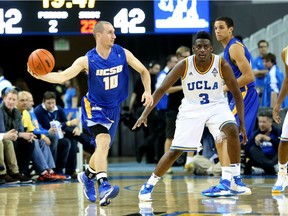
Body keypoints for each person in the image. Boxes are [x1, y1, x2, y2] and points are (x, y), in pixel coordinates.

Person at [27, 21, 153, 206]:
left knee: (103, 149)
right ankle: (104, 186)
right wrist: (40, 75)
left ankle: (87, 177)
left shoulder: (122, 53)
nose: (114, 35)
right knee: (103, 143)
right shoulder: (86, 60)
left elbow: (143, 71)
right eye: (110, 32)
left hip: (113, 108)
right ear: (98, 35)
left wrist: (148, 91)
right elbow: (63, 77)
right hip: (94, 107)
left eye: (114, 32)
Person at [134, 31, 247, 202]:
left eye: (206, 47)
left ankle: (235, 179)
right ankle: (149, 185)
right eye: (199, 47)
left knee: (231, 128)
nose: (202, 50)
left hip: (216, 105)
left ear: (211, 49)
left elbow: (237, 94)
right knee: (175, 151)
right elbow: (161, 90)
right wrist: (144, 114)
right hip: (191, 109)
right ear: (194, 49)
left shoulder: (221, 63)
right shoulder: (184, 65)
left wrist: (242, 124)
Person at [202, 16, 259, 197]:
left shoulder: (234, 47)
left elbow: (249, 77)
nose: (217, 31)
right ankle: (229, 180)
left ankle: (228, 181)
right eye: (215, 28)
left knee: (226, 135)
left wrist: (223, 87)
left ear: (230, 30)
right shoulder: (226, 49)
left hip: (244, 95)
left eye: (221, 27)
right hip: (235, 96)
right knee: (221, 137)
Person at [129, 61, 161, 163]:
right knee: (153, 133)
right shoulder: (153, 79)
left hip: (140, 108)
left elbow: (133, 95)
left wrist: (131, 107)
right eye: (156, 68)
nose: (158, 71)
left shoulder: (140, 79)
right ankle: (142, 149)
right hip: (148, 108)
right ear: (150, 69)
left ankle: (149, 157)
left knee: (148, 133)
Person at [272, 45, 288, 193]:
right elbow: (287, 80)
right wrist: (277, 104)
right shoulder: (285, 52)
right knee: (284, 140)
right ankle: (282, 175)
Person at [244, 110, 280, 175]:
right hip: (261, 159)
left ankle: (266, 168)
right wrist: (255, 141)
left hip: (274, 158)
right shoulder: (255, 134)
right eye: (260, 122)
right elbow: (247, 150)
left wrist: (270, 139)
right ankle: (271, 168)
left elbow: (282, 146)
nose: (261, 124)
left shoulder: (277, 132)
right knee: (252, 148)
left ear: (270, 122)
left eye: (264, 122)